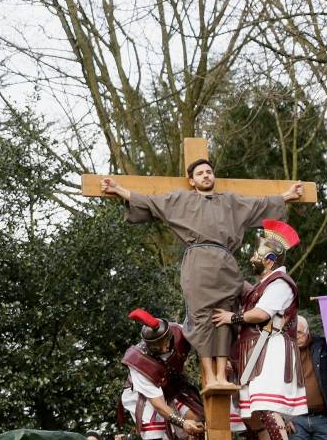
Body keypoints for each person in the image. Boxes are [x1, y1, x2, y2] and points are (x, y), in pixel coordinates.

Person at [102, 161, 303, 389]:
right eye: (200, 173)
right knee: (201, 319)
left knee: (225, 317)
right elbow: (150, 201)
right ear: (191, 180)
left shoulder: (230, 201)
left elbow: (259, 205)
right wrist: (119, 190)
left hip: (226, 265)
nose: (206, 176)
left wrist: (287, 196)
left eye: (209, 172)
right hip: (197, 264)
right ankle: (210, 377)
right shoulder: (181, 200)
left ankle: (221, 376)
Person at [213, 219, 306, 440]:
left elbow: (261, 313)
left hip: (271, 347)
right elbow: (248, 292)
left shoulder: (280, 284)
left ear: (270, 259)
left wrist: (231, 317)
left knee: (266, 403)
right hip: (256, 350)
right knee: (252, 411)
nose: (253, 256)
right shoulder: (264, 284)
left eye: (257, 252)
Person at [121, 308, 206, 440]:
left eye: (165, 342)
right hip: (144, 395)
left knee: (195, 417)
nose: (164, 348)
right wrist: (182, 423)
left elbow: (201, 341)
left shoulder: (179, 331)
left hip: (173, 386)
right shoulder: (139, 361)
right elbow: (159, 404)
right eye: (157, 346)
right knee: (154, 433)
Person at [290, 315, 327, 440]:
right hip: (296, 418)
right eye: (293, 333)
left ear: (307, 332)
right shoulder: (285, 351)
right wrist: (285, 417)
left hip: (321, 417)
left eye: (299, 333)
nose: (296, 337)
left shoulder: (323, 345)